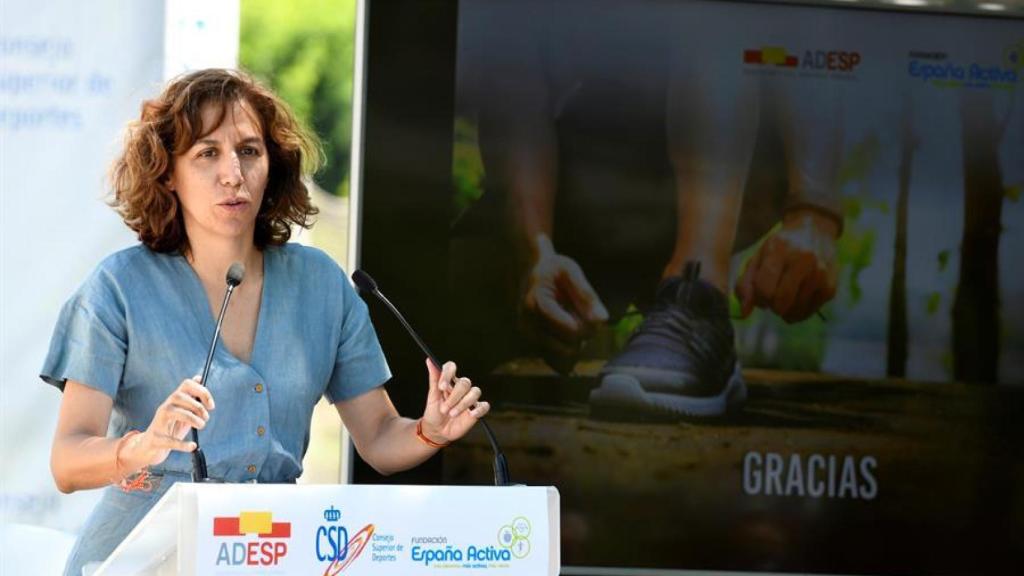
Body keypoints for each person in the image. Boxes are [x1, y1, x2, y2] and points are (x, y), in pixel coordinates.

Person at [41, 68, 489, 576]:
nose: (233, 173)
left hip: (268, 555)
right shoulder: (117, 287)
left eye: (249, 151)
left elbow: (380, 437)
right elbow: (68, 461)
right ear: (168, 172)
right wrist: (141, 446)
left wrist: (429, 431)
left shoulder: (321, 284)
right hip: (136, 560)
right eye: (207, 153)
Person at [470, 0, 843, 419]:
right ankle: (649, 313)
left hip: (737, 161)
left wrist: (814, 210)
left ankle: (696, 293)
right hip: (582, 198)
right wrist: (534, 252)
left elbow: (811, 34)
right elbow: (512, 74)